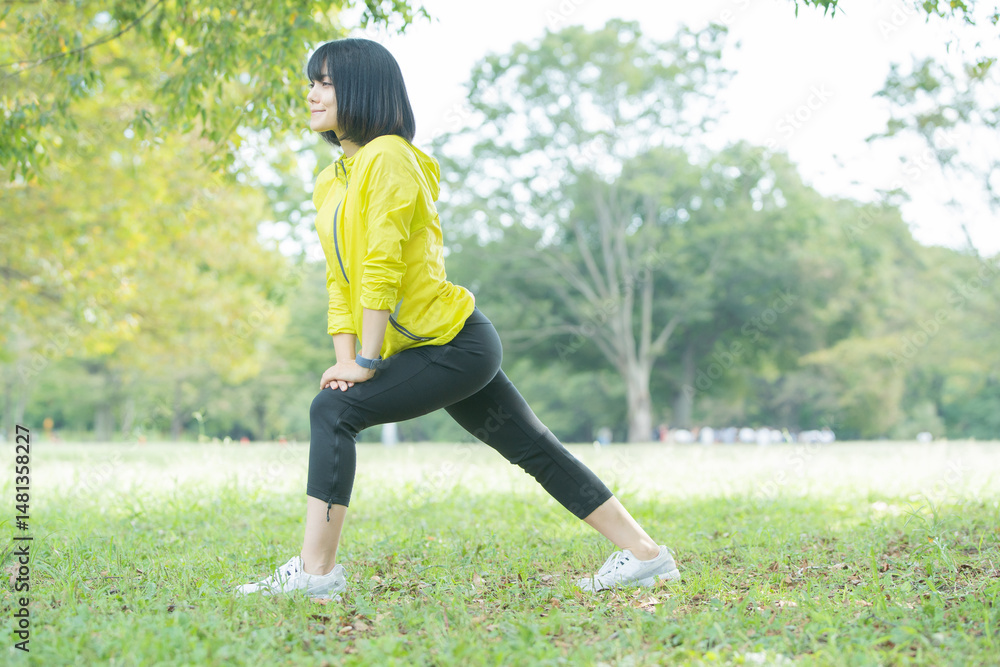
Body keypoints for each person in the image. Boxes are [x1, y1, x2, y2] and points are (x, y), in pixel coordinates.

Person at [234, 38, 680, 600]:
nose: (312, 93)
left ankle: (315, 573)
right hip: (428, 348)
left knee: (332, 412)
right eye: (311, 82)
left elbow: (381, 265)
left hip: (453, 343)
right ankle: (646, 555)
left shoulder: (389, 156)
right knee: (532, 446)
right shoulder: (333, 180)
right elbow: (338, 281)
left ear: (362, 88)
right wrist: (347, 361)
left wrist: (366, 360)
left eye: (325, 82)